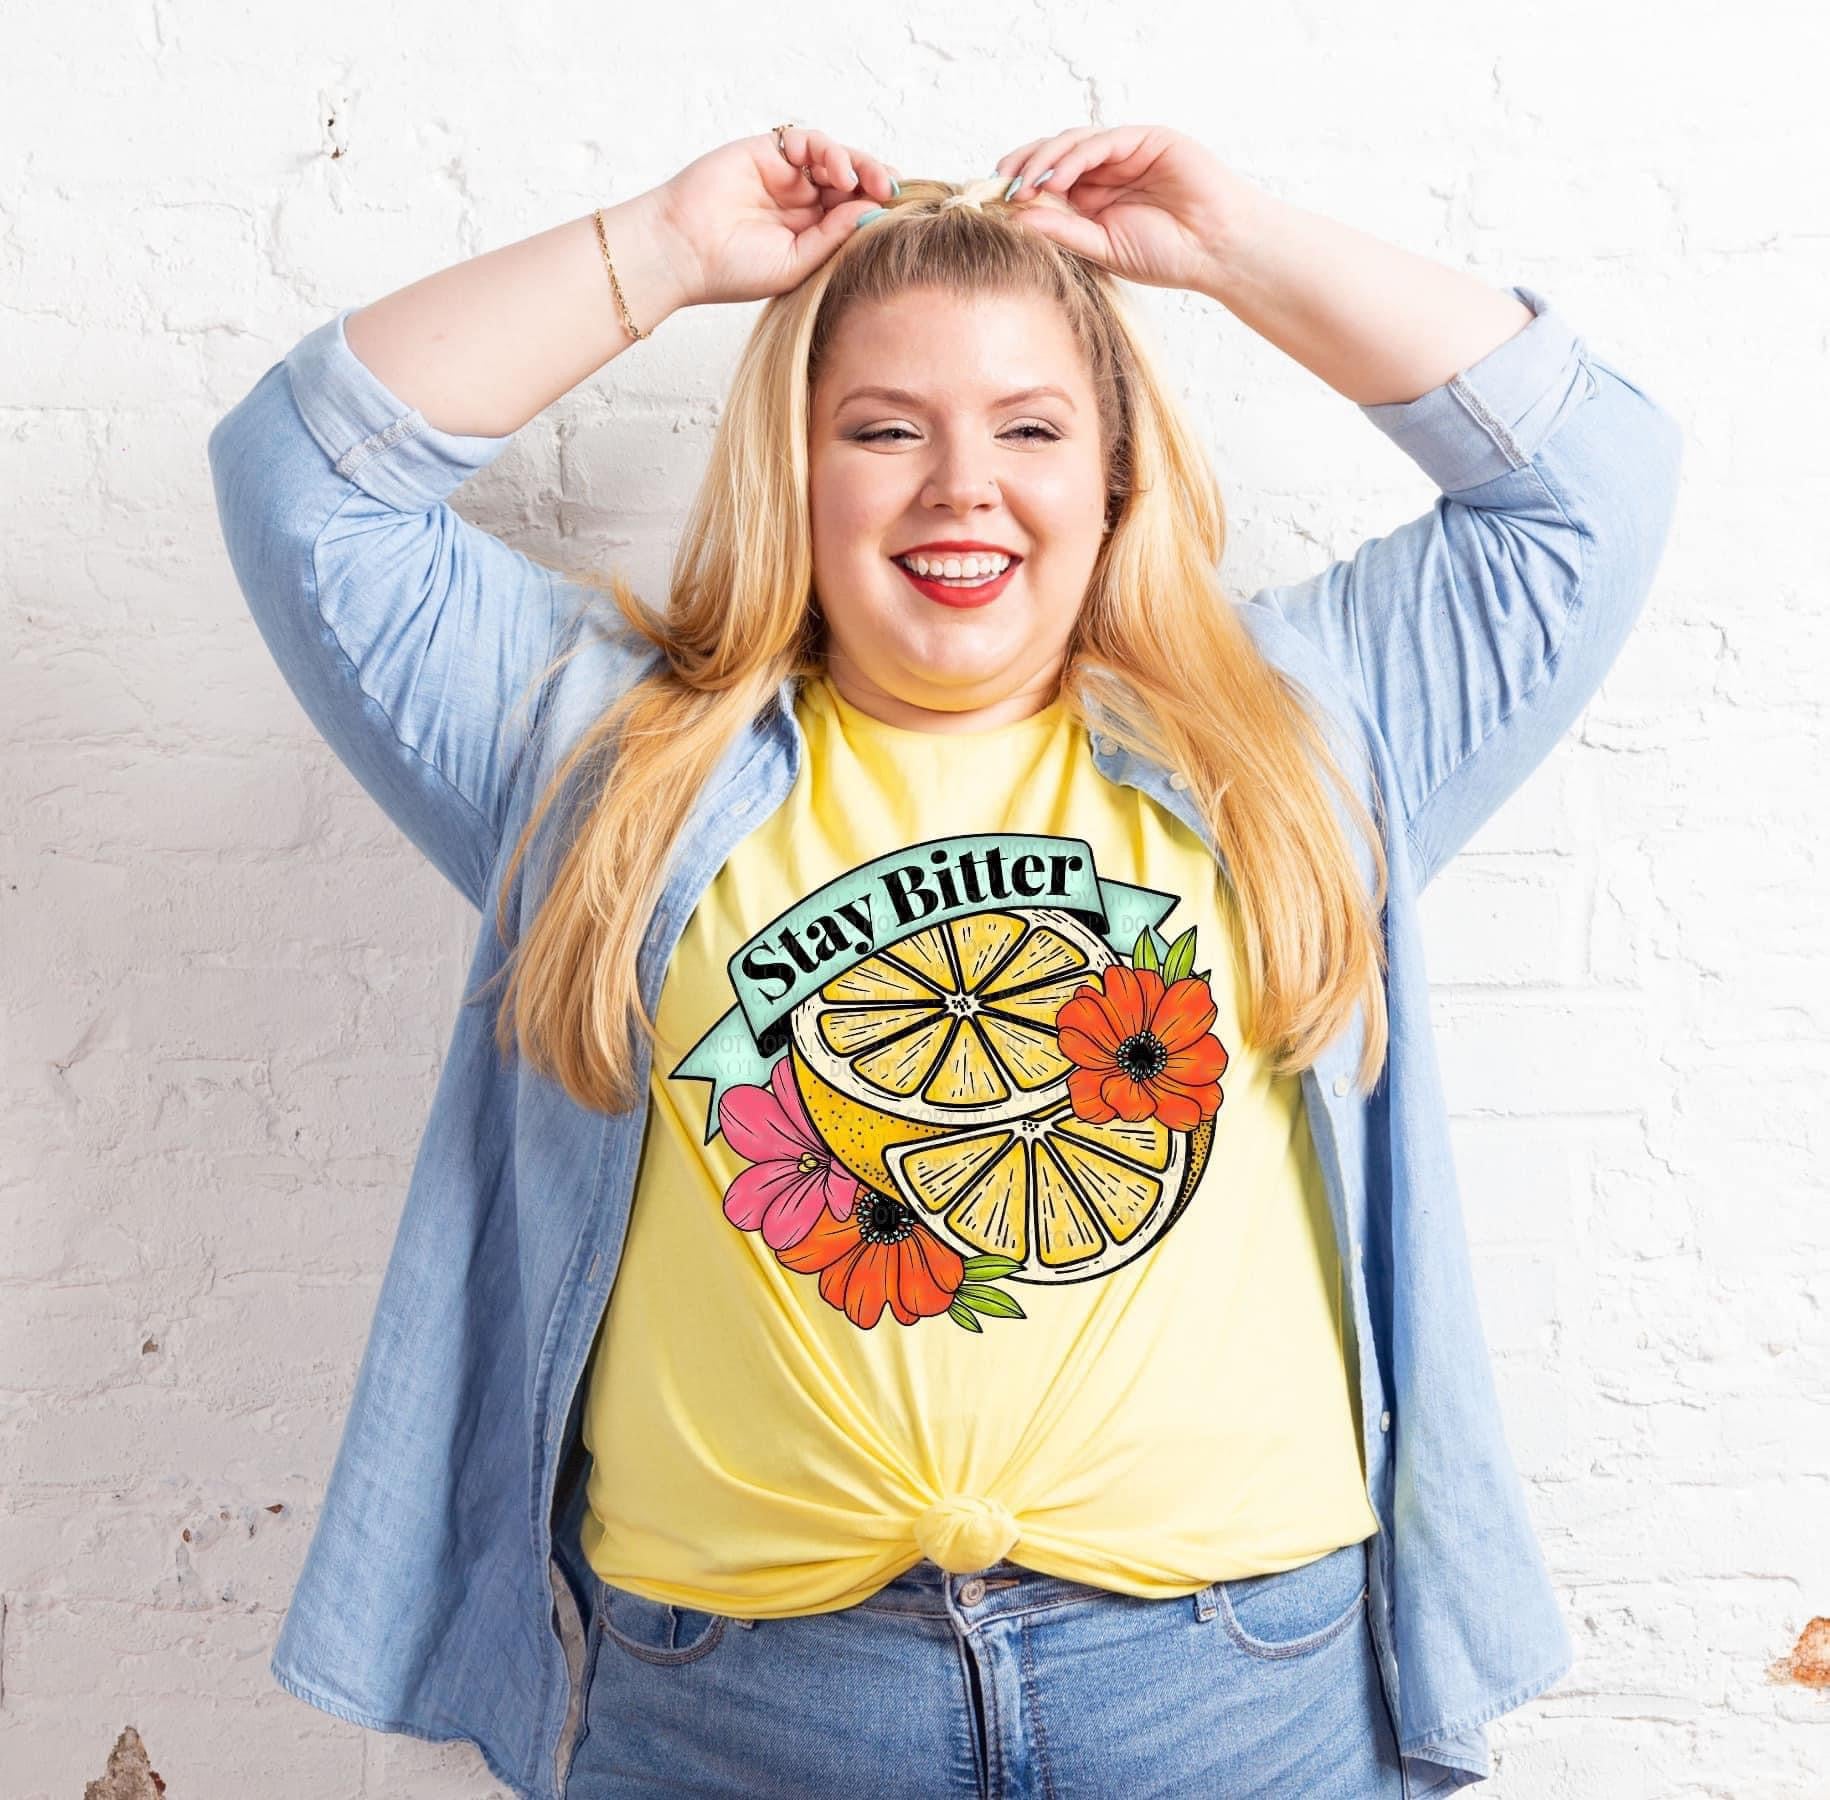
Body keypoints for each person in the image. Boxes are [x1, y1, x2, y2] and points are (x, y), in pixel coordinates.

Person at [206, 122, 1682, 1798]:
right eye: (883, 428)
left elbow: (1592, 478)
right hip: (740, 1705)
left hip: (1225, 1690)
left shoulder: (1295, 734)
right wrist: (667, 248)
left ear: (1112, 473)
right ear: (793, 467)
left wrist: (1234, 247)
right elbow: (304, 482)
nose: (960, 484)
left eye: (1029, 428)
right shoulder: (605, 755)